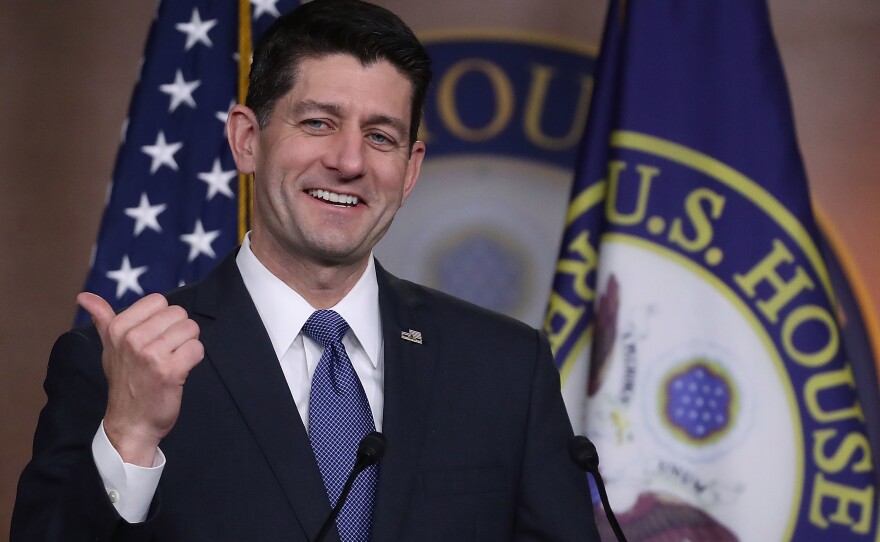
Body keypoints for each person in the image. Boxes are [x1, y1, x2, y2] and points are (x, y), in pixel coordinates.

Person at [12, 1, 599, 540]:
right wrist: (131, 440)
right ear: (247, 140)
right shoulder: (115, 366)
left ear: (410, 169)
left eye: (380, 136)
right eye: (318, 123)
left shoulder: (505, 368)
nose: (348, 161)